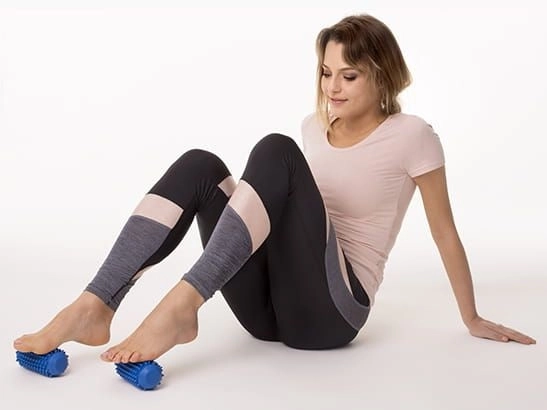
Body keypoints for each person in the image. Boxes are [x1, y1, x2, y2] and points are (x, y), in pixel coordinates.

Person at [13, 13, 535, 365]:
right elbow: (274, 220)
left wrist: (471, 317)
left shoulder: (412, 135)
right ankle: (96, 304)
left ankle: (181, 305)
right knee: (201, 165)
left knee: (274, 149)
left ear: (382, 76)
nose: (332, 87)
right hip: (267, 313)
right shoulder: (315, 127)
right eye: (326, 73)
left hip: (331, 316)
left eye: (349, 76)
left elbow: (444, 232)